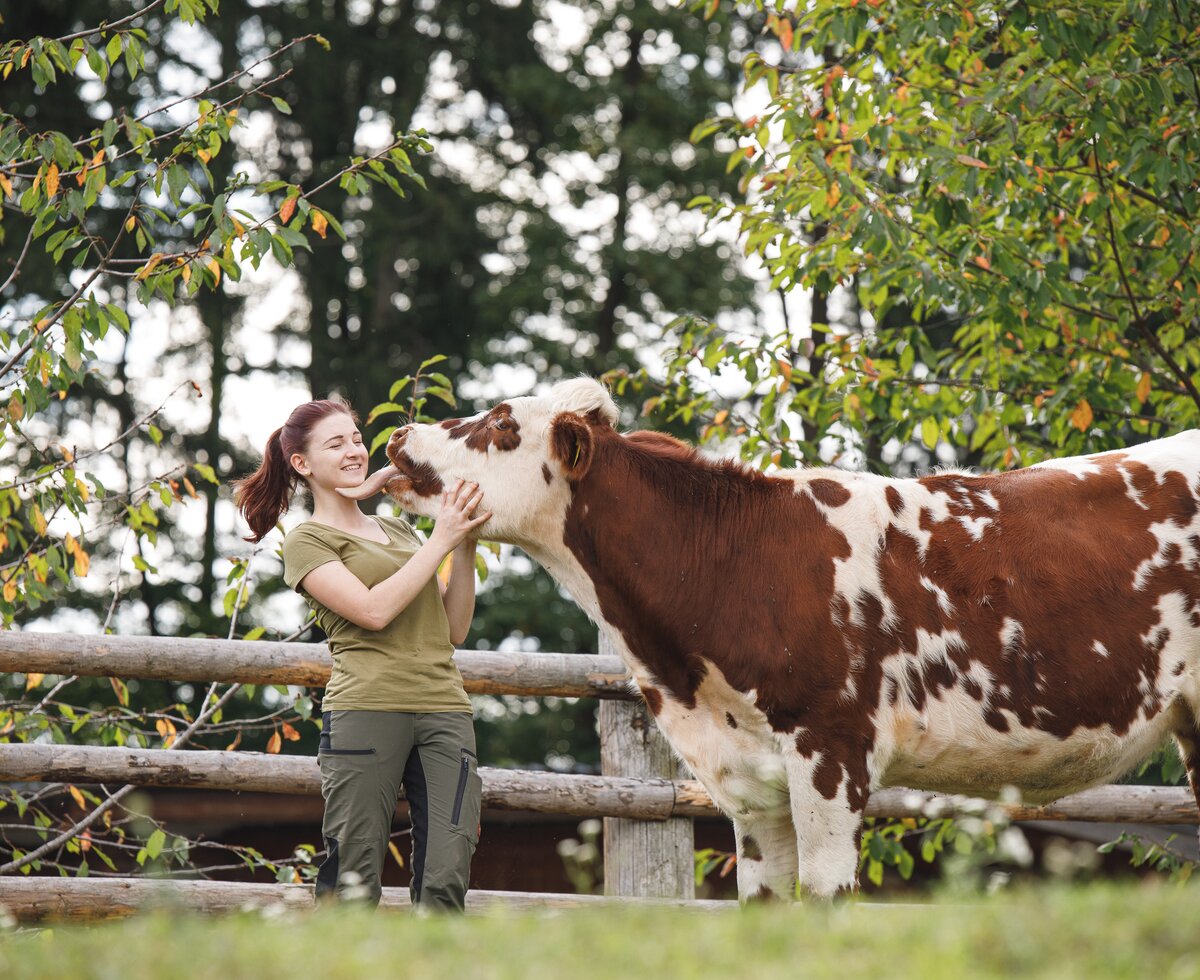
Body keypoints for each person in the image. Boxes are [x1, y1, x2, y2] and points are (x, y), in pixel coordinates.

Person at [234, 398, 490, 912]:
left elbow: (455, 627)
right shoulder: (308, 541)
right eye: (337, 444)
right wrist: (440, 540)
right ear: (302, 465)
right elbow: (373, 612)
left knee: (448, 871)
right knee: (353, 875)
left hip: (445, 708)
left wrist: (462, 542)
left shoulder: (398, 529)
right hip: (366, 711)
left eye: (355, 438)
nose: (354, 451)